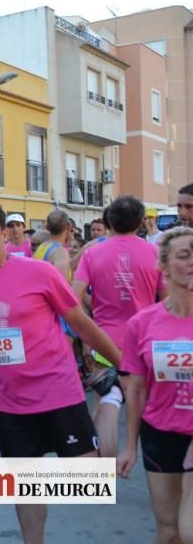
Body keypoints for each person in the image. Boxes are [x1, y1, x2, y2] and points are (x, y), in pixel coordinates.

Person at [0, 201, 122, 544]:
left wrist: (122, 363)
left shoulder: (38, 272)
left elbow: (79, 321)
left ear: (4, 234)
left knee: (90, 483)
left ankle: (109, 399)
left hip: (59, 393)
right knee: (25, 490)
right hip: (12, 407)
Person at [118, 227, 193, 544]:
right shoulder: (142, 323)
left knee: (190, 529)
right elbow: (135, 389)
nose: (192, 262)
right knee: (169, 531)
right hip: (161, 434)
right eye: (184, 255)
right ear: (164, 268)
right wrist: (129, 445)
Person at [74, 196, 165, 458]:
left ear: (109, 222)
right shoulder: (155, 253)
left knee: (105, 402)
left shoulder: (92, 253)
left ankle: (103, 470)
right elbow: (167, 301)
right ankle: (152, 464)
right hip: (144, 342)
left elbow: (73, 297)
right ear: (139, 222)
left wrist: (86, 336)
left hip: (102, 340)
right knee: (147, 405)